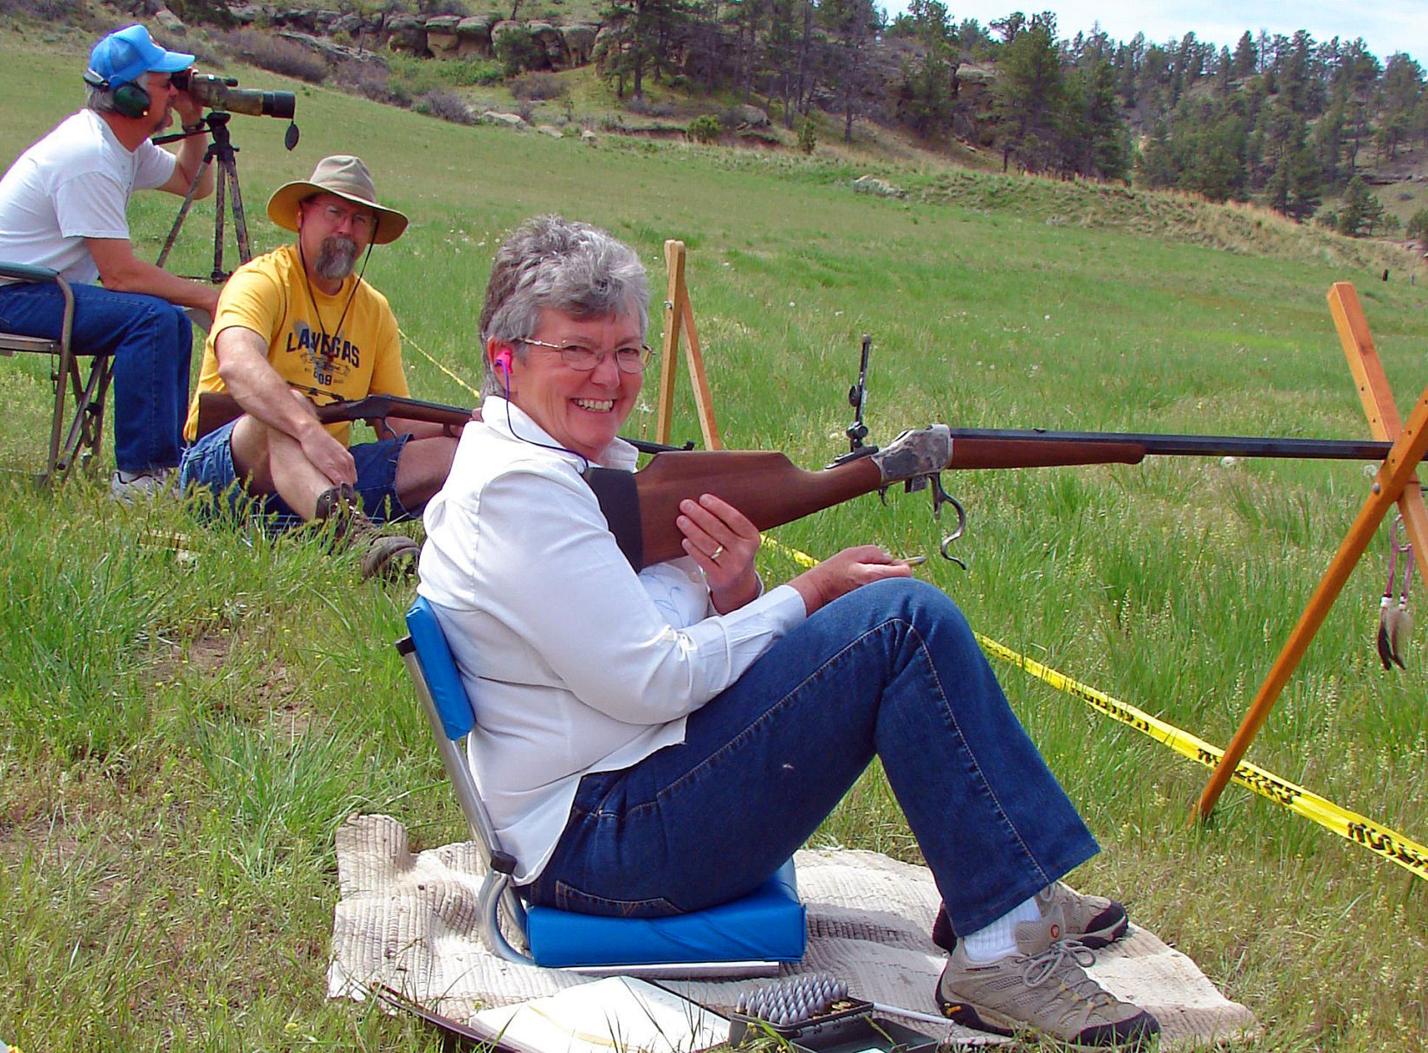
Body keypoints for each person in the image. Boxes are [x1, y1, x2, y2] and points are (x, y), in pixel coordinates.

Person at [417, 215, 1162, 1048]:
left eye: (627, 349)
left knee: (897, 623)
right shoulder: (520, 494)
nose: (610, 374)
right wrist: (808, 591)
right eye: (578, 349)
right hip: (601, 846)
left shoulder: (564, 465)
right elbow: (652, 679)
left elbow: (635, 640)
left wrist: (735, 587)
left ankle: (1004, 887)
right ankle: (1000, 946)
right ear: (504, 356)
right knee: (902, 625)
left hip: (622, 789)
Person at [0, 24, 221, 499]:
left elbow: (194, 182)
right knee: (154, 320)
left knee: (168, 319)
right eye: (166, 86)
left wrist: (194, 119)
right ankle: (141, 477)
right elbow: (120, 275)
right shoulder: (91, 155)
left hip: (32, 288)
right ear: (131, 99)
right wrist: (207, 297)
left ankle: (165, 466)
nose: (174, 94)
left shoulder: (120, 147)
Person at [178, 155, 458, 578]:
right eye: (335, 212)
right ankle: (355, 538)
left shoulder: (374, 310)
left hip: (329, 472)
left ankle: (322, 523)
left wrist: (467, 428)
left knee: (455, 452)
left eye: (360, 219)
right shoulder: (262, 280)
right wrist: (307, 429)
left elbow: (397, 422)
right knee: (281, 411)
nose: (346, 229)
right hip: (226, 472)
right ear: (301, 215)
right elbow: (236, 362)